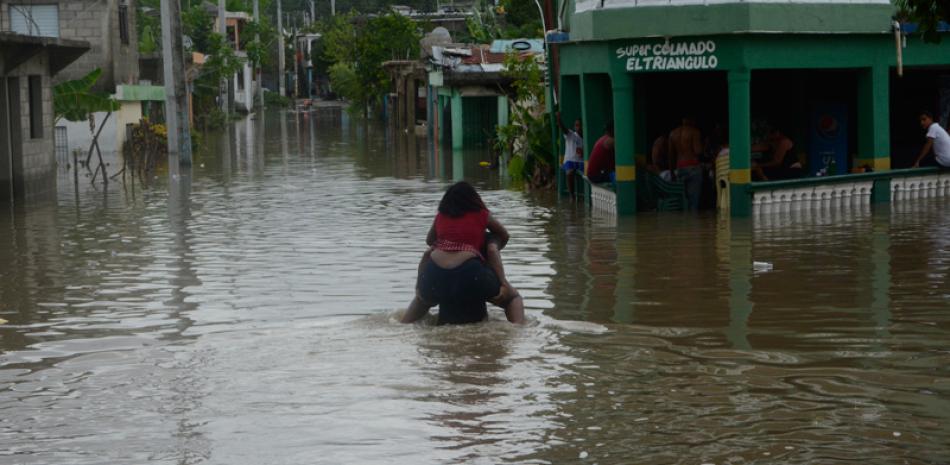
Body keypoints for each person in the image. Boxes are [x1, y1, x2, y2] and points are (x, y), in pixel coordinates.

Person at [402, 182, 524, 325]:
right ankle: (519, 331)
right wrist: (486, 246)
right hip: (471, 271)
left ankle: (402, 325)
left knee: (422, 299)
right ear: (474, 199)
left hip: (433, 272)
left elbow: (430, 240)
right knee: (512, 298)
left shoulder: (441, 216)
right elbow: (504, 235)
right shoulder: (481, 214)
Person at [668, 116, 703, 210]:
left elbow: (671, 155)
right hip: (693, 167)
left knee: (682, 201)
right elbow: (697, 151)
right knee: (693, 201)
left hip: (680, 168)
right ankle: (693, 221)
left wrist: (672, 172)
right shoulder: (694, 132)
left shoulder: (672, 134)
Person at [557, 112, 584, 197]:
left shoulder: (585, 137)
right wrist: (558, 119)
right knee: (570, 173)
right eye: (576, 125)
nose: (578, 127)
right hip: (570, 161)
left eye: (579, 125)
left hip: (581, 162)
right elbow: (563, 128)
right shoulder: (571, 135)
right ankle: (571, 196)